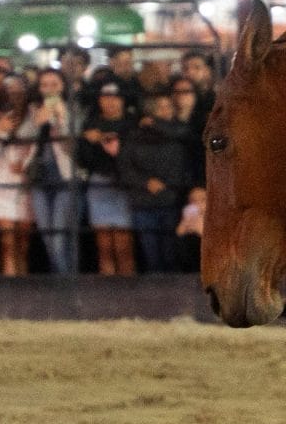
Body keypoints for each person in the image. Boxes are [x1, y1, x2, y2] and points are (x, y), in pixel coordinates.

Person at [16, 67, 82, 274]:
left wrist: (62, 120)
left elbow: (74, 145)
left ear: (63, 86)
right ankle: (63, 281)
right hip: (39, 179)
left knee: (60, 239)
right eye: (44, 85)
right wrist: (37, 121)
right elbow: (20, 136)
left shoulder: (74, 108)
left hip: (65, 179)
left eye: (54, 84)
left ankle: (66, 285)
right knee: (48, 237)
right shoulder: (35, 109)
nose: (49, 89)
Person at [121, 91, 194, 274]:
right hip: (143, 201)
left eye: (168, 106)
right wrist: (146, 182)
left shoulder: (181, 133)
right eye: (160, 107)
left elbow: (183, 163)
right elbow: (125, 167)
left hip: (170, 198)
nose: (166, 111)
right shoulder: (135, 136)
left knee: (171, 252)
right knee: (151, 254)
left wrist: (156, 125)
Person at [77, 82, 139, 276]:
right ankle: (108, 296)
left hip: (125, 183)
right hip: (100, 182)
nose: (110, 102)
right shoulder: (91, 122)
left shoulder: (133, 122)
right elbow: (83, 159)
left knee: (124, 246)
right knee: (103, 245)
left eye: (115, 97)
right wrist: (87, 141)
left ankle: (129, 294)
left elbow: (138, 155)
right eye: (105, 97)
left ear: (122, 99)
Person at [0, 76, 36, 276]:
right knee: (7, 244)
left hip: (26, 181)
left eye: (18, 90)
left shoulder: (34, 114)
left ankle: (23, 289)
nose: (13, 94)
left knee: (23, 245)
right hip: (3, 179)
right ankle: (10, 290)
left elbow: (38, 143)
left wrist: (24, 164)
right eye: (9, 90)